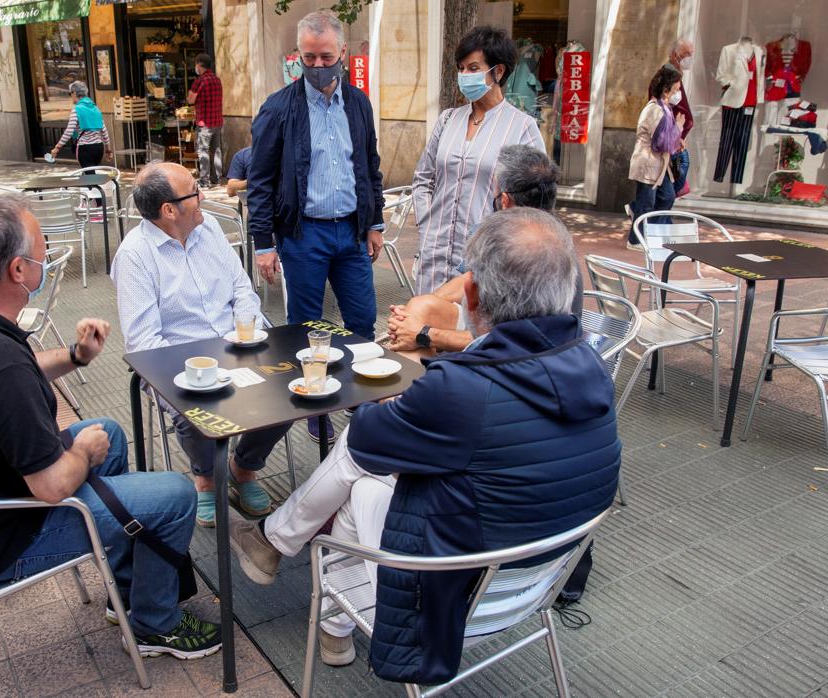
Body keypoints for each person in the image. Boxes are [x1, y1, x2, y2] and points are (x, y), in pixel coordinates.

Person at [227, 207, 620, 680]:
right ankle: (322, 610)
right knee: (366, 485)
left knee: (361, 469)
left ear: (471, 294)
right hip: (536, 586)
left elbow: (369, 434)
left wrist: (416, 385)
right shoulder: (593, 369)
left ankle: (277, 545)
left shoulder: (465, 389)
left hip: (451, 603)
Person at [0, 193, 221, 660]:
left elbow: (16, 371)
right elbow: (50, 484)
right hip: (0, 541)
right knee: (175, 494)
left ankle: (127, 592)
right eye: (41, 248)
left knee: (108, 429)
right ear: (17, 271)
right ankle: (156, 625)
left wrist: (76, 356)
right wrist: (81, 453)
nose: (47, 256)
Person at [113, 162, 290, 527]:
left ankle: (244, 467)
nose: (202, 197)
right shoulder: (135, 256)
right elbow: (145, 342)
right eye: (194, 190)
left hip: (237, 344)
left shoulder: (207, 231)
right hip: (182, 360)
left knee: (290, 386)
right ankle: (206, 477)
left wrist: (251, 334)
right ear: (169, 210)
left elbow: (242, 289)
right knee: (194, 409)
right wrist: (193, 374)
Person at [247, 10, 386, 443]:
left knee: (362, 321)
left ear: (342, 52)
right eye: (310, 58)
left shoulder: (359, 103)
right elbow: (261, 181)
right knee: (306, 328)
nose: (319, 67)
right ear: (298, 56)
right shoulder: (279, 108)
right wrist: (263, 244)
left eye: (327, 57)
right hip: (302, 235)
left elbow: (370, 166)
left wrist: (375, 222)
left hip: (350, 232)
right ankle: (315, 403)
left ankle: (362, 404)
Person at [386, 145, 581, 359]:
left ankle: (416, 388)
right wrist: (409, 317)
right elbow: (467, 279)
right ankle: (411, 386)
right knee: (420, 308)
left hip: (525, 348)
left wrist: (424, 334)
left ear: (505, 201)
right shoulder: (496, 231)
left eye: (494, 192)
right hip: (488, 325)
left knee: (415, 336)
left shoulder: (544, 253)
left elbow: (509, 339)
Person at [411, 26, 544, 296]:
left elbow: (535, 203)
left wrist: (501, 245)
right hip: (433, 258)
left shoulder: (521, 128)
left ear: (498, 71)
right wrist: (428, 224)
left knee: (471, 334)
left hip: (482, 263)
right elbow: (423, 178)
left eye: (473, 68)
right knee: (424, 331)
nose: (464, 76)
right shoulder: (448, 119)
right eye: (461, 68)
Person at [626, 64, 684, 249]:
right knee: (646, 202)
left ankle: (652, 233)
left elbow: (666, 138)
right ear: (667, 89)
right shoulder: (655, 109)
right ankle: (635, 239)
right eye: (676, 89)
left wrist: (678, 138)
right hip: (649, 162)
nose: (678, 92)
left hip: (660, 164)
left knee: (667, 196)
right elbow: (661, 142)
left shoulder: (664, 109)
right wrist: (679, 129)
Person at [50, 82, 111, 168]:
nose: (71, 96)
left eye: (70, 93)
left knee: (89, 175)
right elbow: (104, 130)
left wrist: (57, 148)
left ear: (74, 93)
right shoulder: (95, 108)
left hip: (85, 148)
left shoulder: (77, 109)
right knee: (90, 175)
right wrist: (108, 149)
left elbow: (69, 131)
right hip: (99, 148)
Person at [187, 53, 224, 189]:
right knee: (216, 150)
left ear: (199, 65)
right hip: (217, 121)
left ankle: (204, 180)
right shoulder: (217, 80)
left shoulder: (200, 81)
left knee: (203, 151)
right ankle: (216, 178)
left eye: (196, 64)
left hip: (205, 123)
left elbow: (190, 100)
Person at [665, 39, 696, 198]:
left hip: (677, 137)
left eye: (692, 54)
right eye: (687, 54)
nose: (690, 57)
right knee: (670, 188)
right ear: (676, 55)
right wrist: (675, 134)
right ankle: (639, 209)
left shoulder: (677, 74)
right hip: (671, 138)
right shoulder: (668, 74)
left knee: (680, 169)